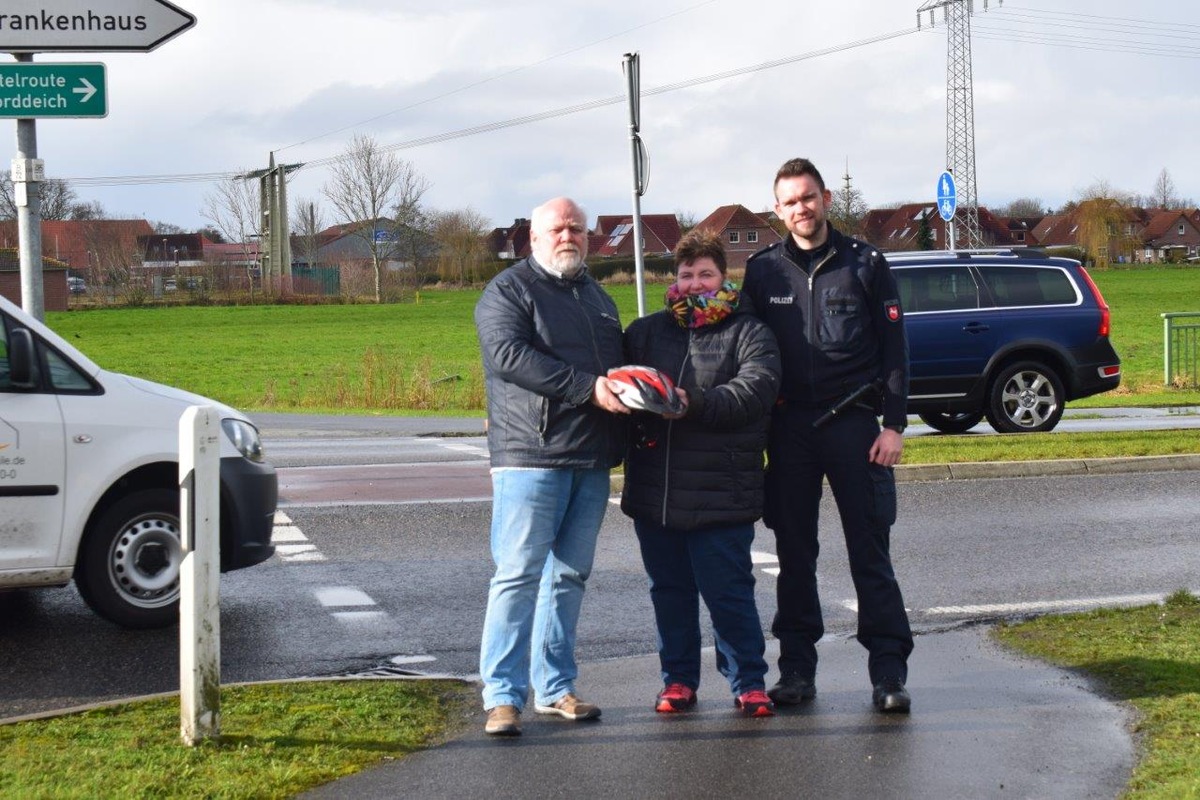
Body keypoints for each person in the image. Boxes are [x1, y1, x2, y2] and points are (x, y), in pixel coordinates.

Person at [742, 157, 915, 714]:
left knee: (870, 552)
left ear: (826, 200)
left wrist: (894, 424)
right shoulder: (763, 271)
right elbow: (745, 351)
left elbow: (894, 349)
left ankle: (888, 674)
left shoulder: (865, 263)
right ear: (777, 210)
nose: (801, 208)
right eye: (790, 201)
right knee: (795, 555)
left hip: (854, 426)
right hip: (789, 428)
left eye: (809, 197)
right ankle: (796, 670)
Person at [474, 197, 630, 736]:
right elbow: (509, 356)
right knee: (517, 576)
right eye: (557, 228)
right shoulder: (508, 290)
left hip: (590, 457)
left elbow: (617, 368)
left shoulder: (598, 296)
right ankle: (501, 696)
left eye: (577, 228)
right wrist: (589, 388)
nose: (568, 236)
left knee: (567, 577)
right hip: (530, 456)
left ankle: (555, 687)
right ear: (533, 238)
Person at [620, 229, 782, 718]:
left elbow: (755, 392)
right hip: (657, 491)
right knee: (669, 594)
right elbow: (621, 384)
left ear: (722, 277)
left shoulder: (750, 332)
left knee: (728, 593)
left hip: (721, 490)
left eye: (705, 274)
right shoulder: (646, 332)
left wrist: (693, 403)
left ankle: (748, 682)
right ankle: (678, 681)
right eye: (686, 274)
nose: (694, 283)